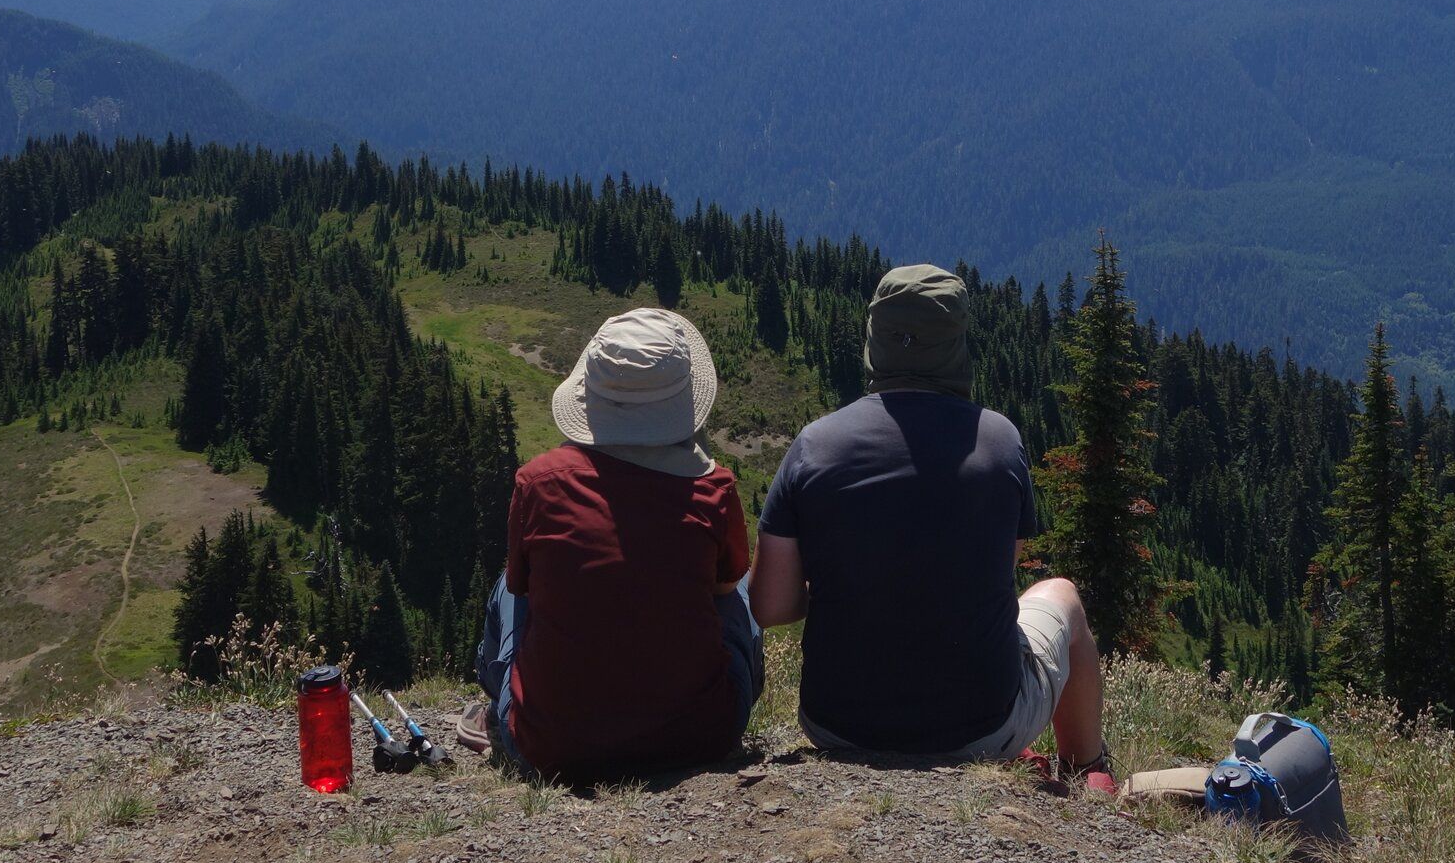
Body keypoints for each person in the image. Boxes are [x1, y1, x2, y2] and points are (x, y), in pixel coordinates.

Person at [749, 263, 1116, 792]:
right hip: (983, 727)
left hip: (836, 726)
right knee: (1062, 596)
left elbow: (770, 606)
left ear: (874, 336)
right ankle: (1088, 772)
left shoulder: (814, 445)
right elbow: (990, 581)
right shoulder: (999, 443)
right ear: (957, 342)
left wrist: (847, 585)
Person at [465, 307, 763, 782]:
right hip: (701, 735)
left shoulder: (538, 483)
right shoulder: (714, 490)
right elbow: (724, 594)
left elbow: (524, 593)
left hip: (551, 747)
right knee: (737, 586)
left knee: (509, 584)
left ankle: (503, 707)